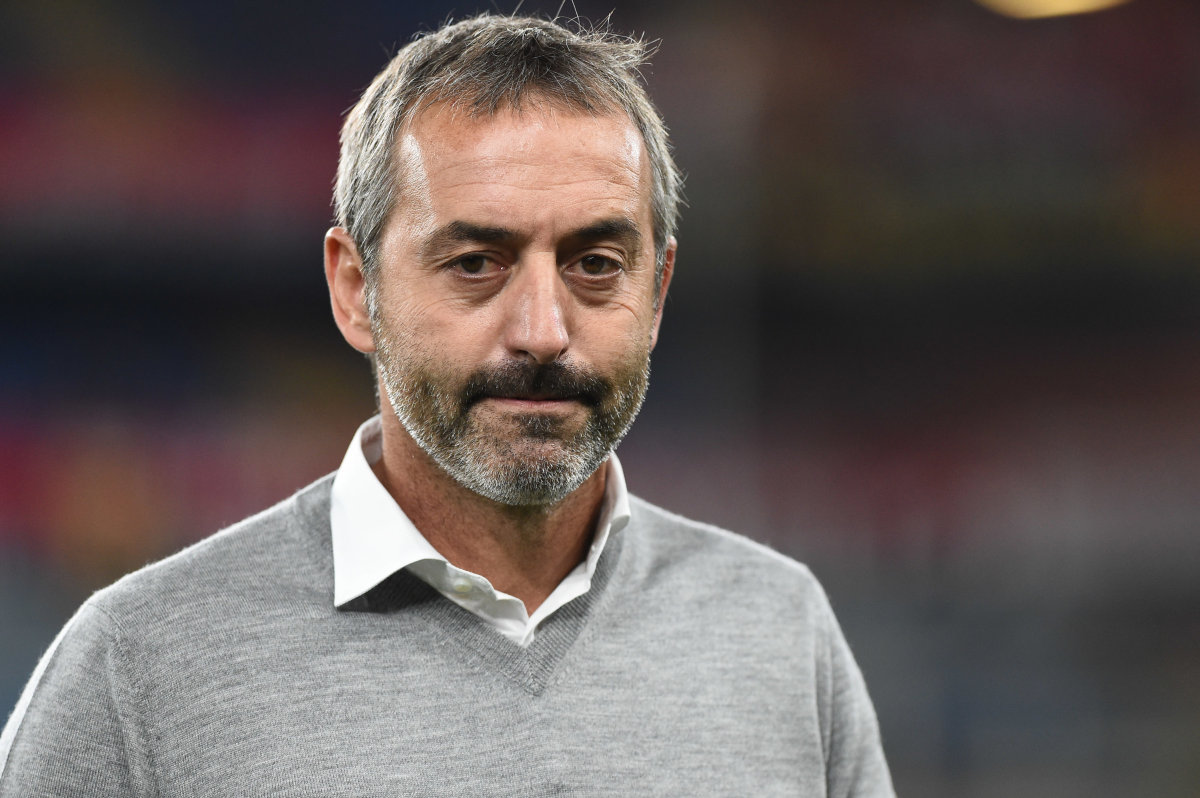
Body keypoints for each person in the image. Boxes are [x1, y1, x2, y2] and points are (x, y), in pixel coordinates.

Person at [0, 14, 894, 796]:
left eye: (595, 264)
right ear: (356, 292)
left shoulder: (780, 630)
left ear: (656, 293)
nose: (543, 332)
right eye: (475, 264)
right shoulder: (136, 665)